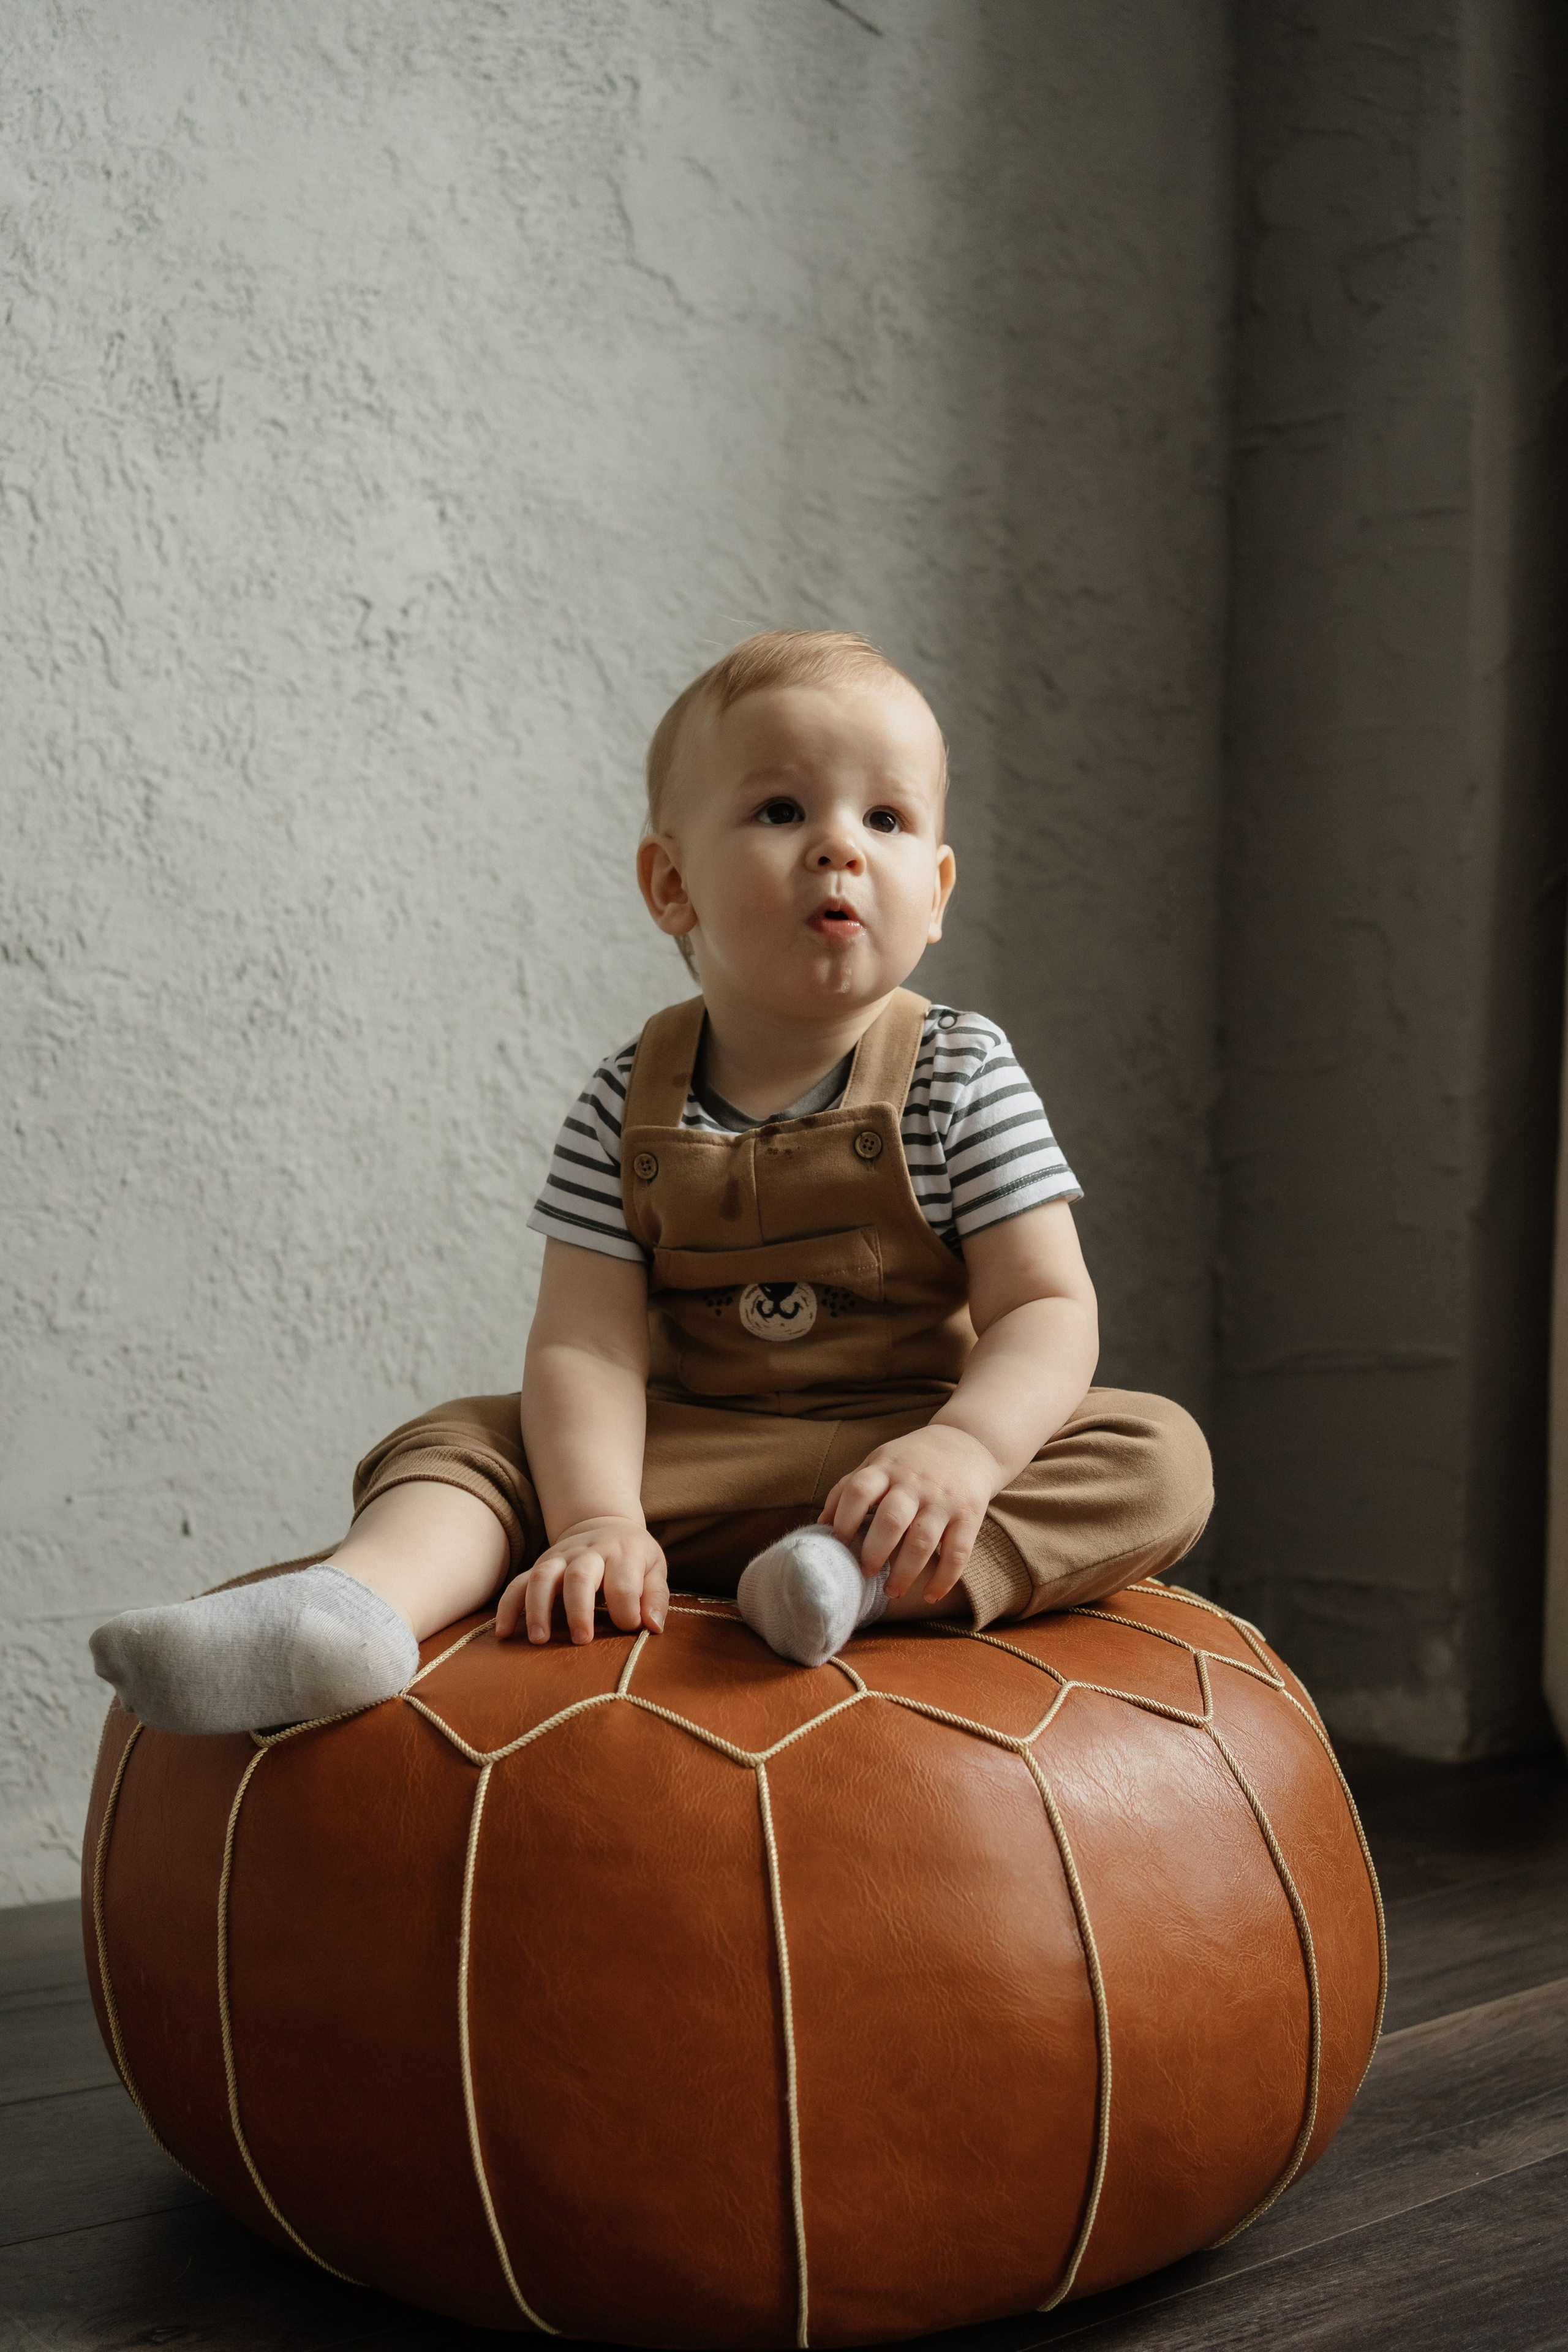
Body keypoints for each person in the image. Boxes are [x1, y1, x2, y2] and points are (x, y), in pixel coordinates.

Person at [89, 630, 1212, 1735]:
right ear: (670, 882)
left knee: (1155, 1455)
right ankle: (346, 1616)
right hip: (688, 1457)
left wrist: (963, 1449)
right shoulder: (626, 1102)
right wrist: (595, 1519)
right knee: (461, 1442)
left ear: (937, 890)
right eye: (783, 812)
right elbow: (588, 1346)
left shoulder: (963, 1073)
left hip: (901, 1455)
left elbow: (1047, 1307)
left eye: (887, 819)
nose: (840, 848)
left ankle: (856, 1582)